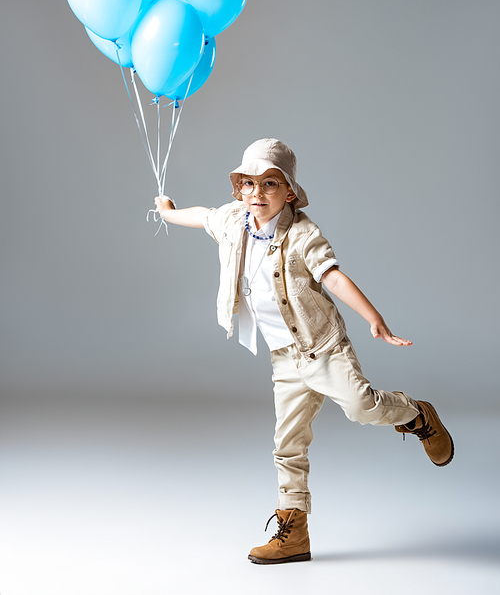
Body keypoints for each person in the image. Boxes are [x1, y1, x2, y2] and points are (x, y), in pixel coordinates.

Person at [154, 138, 454, 565]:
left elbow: (332, 277)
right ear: (238, 189)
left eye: (270, 184)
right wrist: (168, 212)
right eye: (249, 184)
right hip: (285, 358)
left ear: (289, 191)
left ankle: (416, 414)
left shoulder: (303, 234)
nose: (257, 194)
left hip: (322, 348)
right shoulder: (235, 219)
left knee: (361, 407)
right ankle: (293, 532)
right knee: (287, 443)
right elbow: (203, 216)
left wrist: (374, 317)